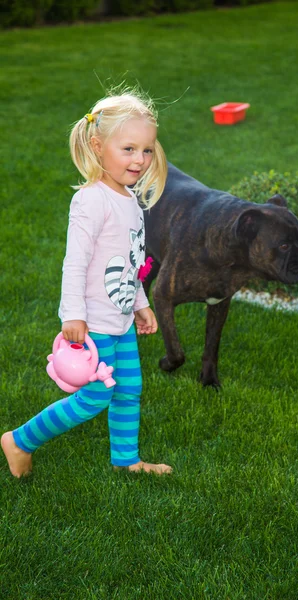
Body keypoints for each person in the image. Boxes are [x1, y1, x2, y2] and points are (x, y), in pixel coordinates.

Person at [1, 88, 172, 478]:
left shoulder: (130, 199)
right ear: (98, 146)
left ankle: (126, 459)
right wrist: (73, 314)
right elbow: (74, 263)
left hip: (122, 320)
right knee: (96, 396)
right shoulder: (91, 201)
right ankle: (20, 440)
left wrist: (140, 303)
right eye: (128, 149)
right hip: (93, 323)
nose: (140, 159)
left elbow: (128, 264)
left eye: (147, 150)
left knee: (129, 390)